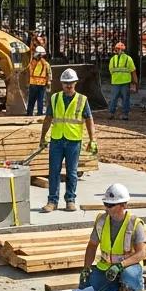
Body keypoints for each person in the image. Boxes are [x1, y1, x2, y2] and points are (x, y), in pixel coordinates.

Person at [39, 68, 98, 213]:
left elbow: (89, 119)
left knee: (72, 172)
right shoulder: (55, 98)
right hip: (57, 140)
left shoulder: (82, 100)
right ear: (62, 84)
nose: (68, 85)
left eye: (71, 82)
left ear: (75, 82)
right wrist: (43, 137)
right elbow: (48, 119)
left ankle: (70, 200)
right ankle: (52, 201)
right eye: (66, 83)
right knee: (54, 171)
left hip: (73, 141)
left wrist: (93, 139)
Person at [79, 183, 146, 291]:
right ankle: (121, 290)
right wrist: (86, 268)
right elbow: (92, 246)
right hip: (107, 266)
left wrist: (120, 266)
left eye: (111, 205)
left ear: (123, 205)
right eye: (106, 204)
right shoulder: (101, 221)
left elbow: (141, 253)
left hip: (128, 266)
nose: (107, 208)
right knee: (88, 282)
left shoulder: (135, 223)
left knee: (130, 275)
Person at [107, 41, 137, 120]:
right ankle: (124, 115)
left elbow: (111, 71)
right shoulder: (128, 58)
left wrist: (135, 82)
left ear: (119, 49)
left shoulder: (113, 59)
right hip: (124, 82)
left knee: (114, 98)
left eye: (117, 49)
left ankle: (111, 113)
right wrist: (135, 82)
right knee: (125, 99)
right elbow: (133, 71)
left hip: (117, 82)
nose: (116, 50)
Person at [26, 46, 51, 116]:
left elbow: (28, 72)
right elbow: (49, 73)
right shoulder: (45, 63)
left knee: (33, 99)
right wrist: (48, 83)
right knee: (39, 99)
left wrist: (27, 82)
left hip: (34, 84)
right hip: (40, 84)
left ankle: (30, 113)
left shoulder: (32, 62)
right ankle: (38, 113)